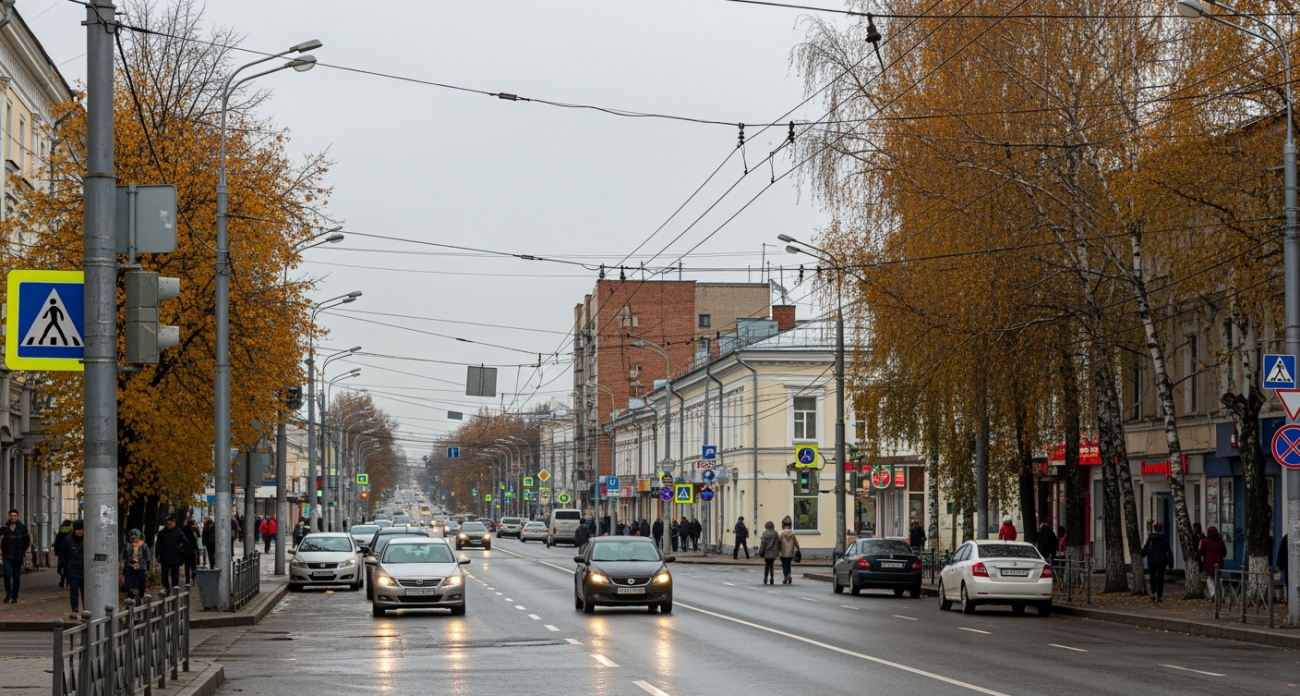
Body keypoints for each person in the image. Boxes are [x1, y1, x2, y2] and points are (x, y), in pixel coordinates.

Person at [1, 509, 32, 603]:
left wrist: (22, 550)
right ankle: (8, 594)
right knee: (6, 573)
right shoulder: (4, 527)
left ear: (17, 516)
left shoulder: (22, 527)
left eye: (15, 515)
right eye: (11, 515)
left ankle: (14, 596)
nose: (13, 517)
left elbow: (27, 540)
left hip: (18, 555)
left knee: (16, 576)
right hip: (6, 554)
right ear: (8, 516)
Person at [155, 515, 187, 595]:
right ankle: (166, 588)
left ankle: (175, 589)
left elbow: (186, 542)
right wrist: (157, 555)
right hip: (165, 556)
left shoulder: (178, 532)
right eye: (167, 524)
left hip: (175, 557)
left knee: (175, 575)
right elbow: (158, 544)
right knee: (164, 575)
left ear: (174, 523)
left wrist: (181, 549)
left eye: (171, 524)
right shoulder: (162, 533)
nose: (169, 525)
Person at [60, 520, 86, 619]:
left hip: (84, 570)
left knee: (85, 591)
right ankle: (74, 610)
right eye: (78, 529)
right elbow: (63, 554)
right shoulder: (68, 540)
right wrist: (62, 568)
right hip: (72, 570)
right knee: (74, 590)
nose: (80, 532)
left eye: (82, 529)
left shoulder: (87, 539)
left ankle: (86, 609)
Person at [1141, 522, 1171, 602]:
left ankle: (1154, 593)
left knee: (1152, 577)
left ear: (1154, 529)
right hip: (1162, 560)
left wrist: (1140, 555)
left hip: (1152, 560)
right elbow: (1167, 550)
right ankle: (1159, 594)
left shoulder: (1151, 538)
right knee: (1160, 577)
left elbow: (1146, 549)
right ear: (1161, 529)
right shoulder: (1164, 538)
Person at [121, 528, 151, 601]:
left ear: (138, 537)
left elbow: (148, 556)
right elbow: (124, 556)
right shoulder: (128, 545)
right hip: (129, 566)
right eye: (132, 538)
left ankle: (140, 595)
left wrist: (145, 562)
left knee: (140, 582)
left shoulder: (143, 545)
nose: (134, 540)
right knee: (129, 582)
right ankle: (130, 596)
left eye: (135, 538)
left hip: (141, 567)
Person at [1198, 525, 1227, 600]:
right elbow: (1224, 552)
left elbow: (1201, 552)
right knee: (1218, 578)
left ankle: (1213, 593)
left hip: (1209, 563)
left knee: (1209, 579)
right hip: (1219, 563)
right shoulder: (1220, 541)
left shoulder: (1205, 541)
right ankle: (1221, 594)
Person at [778, 519, 801, 585]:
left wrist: (778, 550)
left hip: (783, 552)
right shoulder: (792, 534)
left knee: (784, 565)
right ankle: (789, 575)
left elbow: (779, 543)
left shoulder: (781, 534)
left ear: (784, 527)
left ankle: (785, 576)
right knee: (788, 564)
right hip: (790, 552)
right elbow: (796, 542)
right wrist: (798, 549)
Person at [54, 519, 73, 588]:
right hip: (70, 553)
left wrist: (57, 552)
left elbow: (57, 543)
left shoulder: (60, 532)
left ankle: (62, 581)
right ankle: (68, 582)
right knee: (69, 567)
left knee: (62, 567)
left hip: (62, 553)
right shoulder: (71, 532)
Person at [183, 519, 200, 585]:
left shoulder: (184, 530)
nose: (196, 525)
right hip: (191, 550)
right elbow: (195, 541)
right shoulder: (191, 532)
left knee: (187, 567)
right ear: (191, 525)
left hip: (186, 551)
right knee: (193, 566)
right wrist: (197, 550)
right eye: (194, 524)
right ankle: (192, 578)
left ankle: (188, 580)